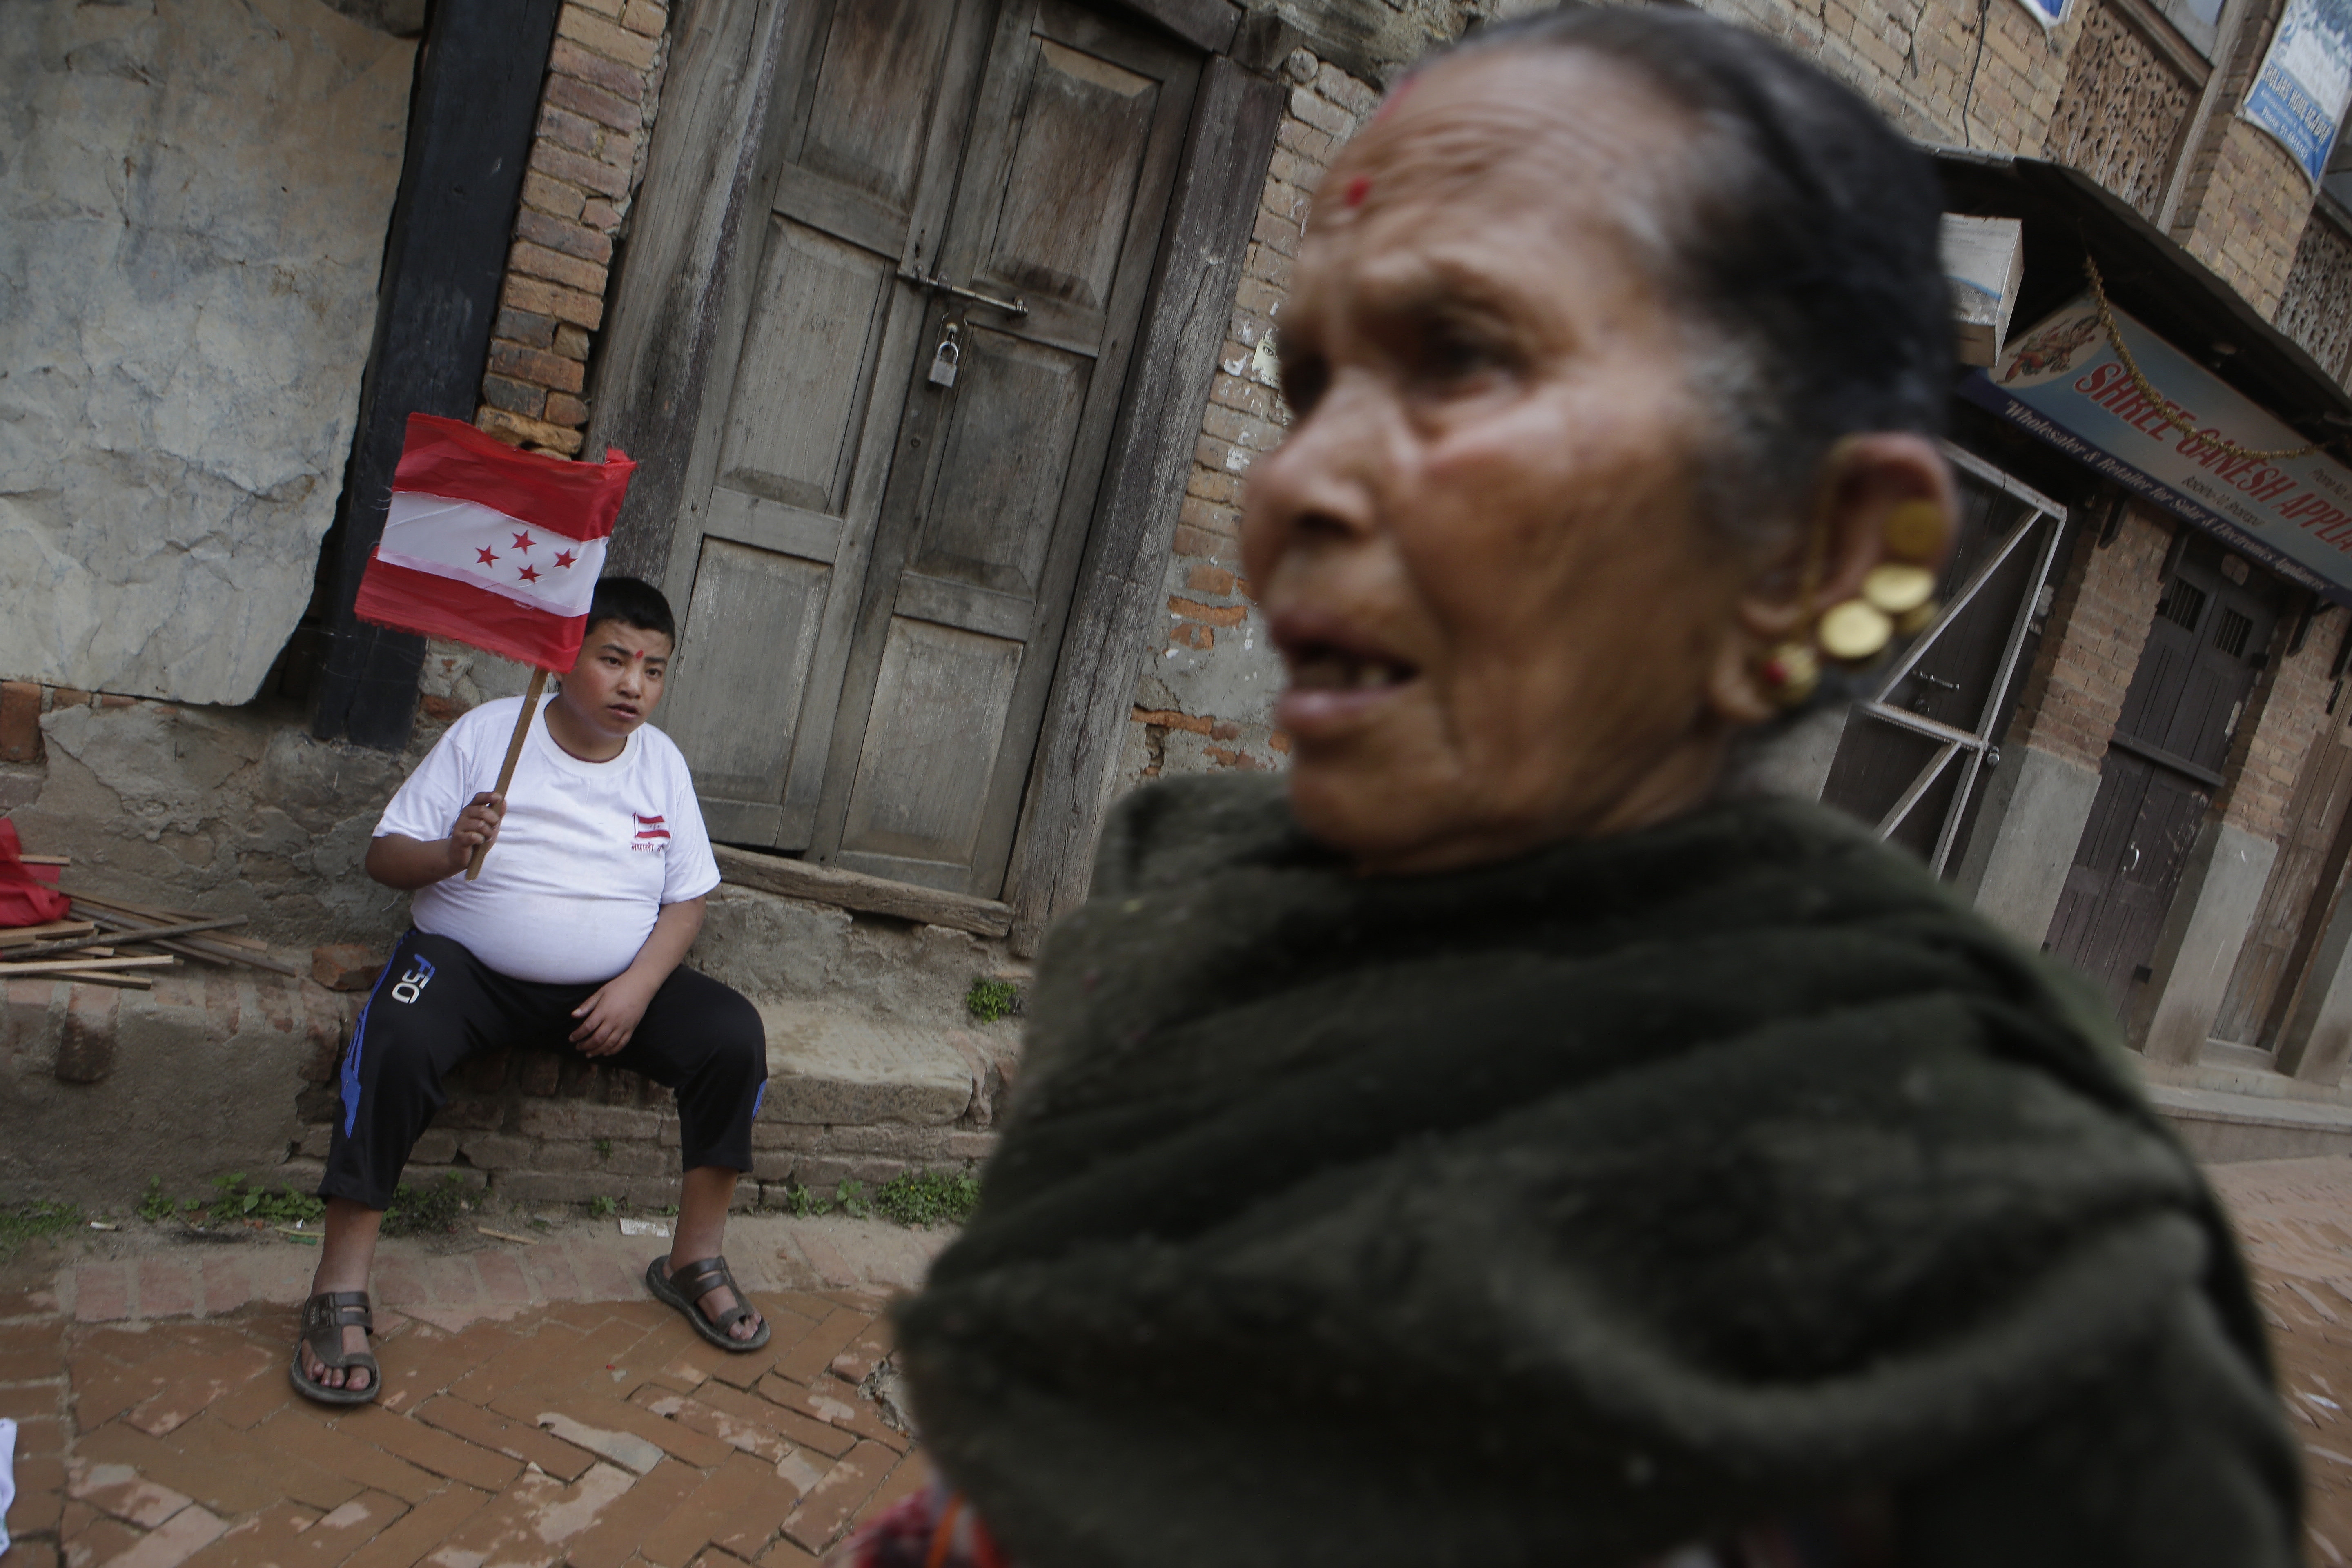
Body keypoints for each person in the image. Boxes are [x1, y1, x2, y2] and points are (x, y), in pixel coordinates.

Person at [833, 9, 2301, 1567]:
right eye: (1308, 379)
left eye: (1463, 355)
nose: (1291, 487)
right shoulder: (1178, 913)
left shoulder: (2012, 1272)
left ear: (1820, 553)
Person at [293, 576, 771, 1405]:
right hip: (467, 971)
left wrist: (636, 988)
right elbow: (383, 856)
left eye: (653, 670)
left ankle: (692, 1257)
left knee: (734, 1036)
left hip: (610, 987)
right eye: (614, 660)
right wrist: (449, 852)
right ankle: (340, 1285)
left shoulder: (661, 764)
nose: (634, 686)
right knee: (398, 1039)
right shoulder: (490, 736)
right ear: (565, 659)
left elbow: (686, 901)